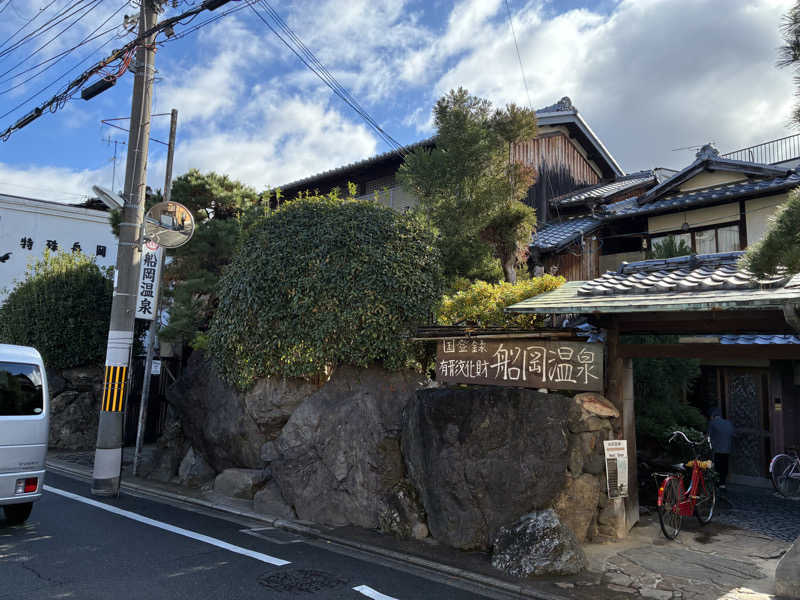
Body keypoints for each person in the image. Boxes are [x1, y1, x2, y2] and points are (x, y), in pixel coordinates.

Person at [708, 408, 735, 488]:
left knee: (717, 466)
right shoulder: (728, 423)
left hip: (717, 449)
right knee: (724, 466)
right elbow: (733, 433)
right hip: (727, 448)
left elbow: (708, 435)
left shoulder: (712, 423)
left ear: (713, 416)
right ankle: (723, 483)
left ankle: (716, 482)